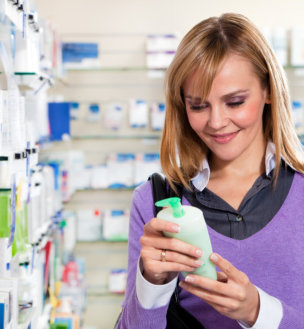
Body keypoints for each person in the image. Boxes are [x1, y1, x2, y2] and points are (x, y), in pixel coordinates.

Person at [115, 13, 304, 329]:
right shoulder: (154, 202)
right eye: (198, 105)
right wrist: (151, 283)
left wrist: (258, 311)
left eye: (235, 102)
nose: (216, 122)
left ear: (268, 91)